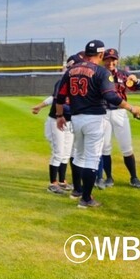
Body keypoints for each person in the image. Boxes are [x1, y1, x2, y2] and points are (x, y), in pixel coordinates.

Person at [54, 40, 140, 208]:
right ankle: (86, 199)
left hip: (77, 118)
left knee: (78, 155)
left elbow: (60, 96)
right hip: (94, 118)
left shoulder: (71, 70)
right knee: (92, 159)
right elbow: (111, 96)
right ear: (101, 55)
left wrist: (59, 115)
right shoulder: (100, 72)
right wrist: (131, 108)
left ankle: (78, 190)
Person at [32, 53, 84, 195]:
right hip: (56, 121)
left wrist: (39, 105)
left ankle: (62, 181)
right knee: (58, 152)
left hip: (69, 122)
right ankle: (52, 183)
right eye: (78, 65)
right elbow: (57, 101)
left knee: (66, 153)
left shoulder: (78, 83)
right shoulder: (63, 81)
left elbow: (51, 98)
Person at [96, 48, 140, 189]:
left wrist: (136, 79)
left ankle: (134, 177)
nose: (110, 62)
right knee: (105, 147)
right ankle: (109, 177)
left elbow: (139, 87)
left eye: (113, 59)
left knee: (126, 146)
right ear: (103, 59)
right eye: (107, 59)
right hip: (103, 112)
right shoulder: (99, 74)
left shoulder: (123, 75)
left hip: (120, 112)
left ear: (117, 60)